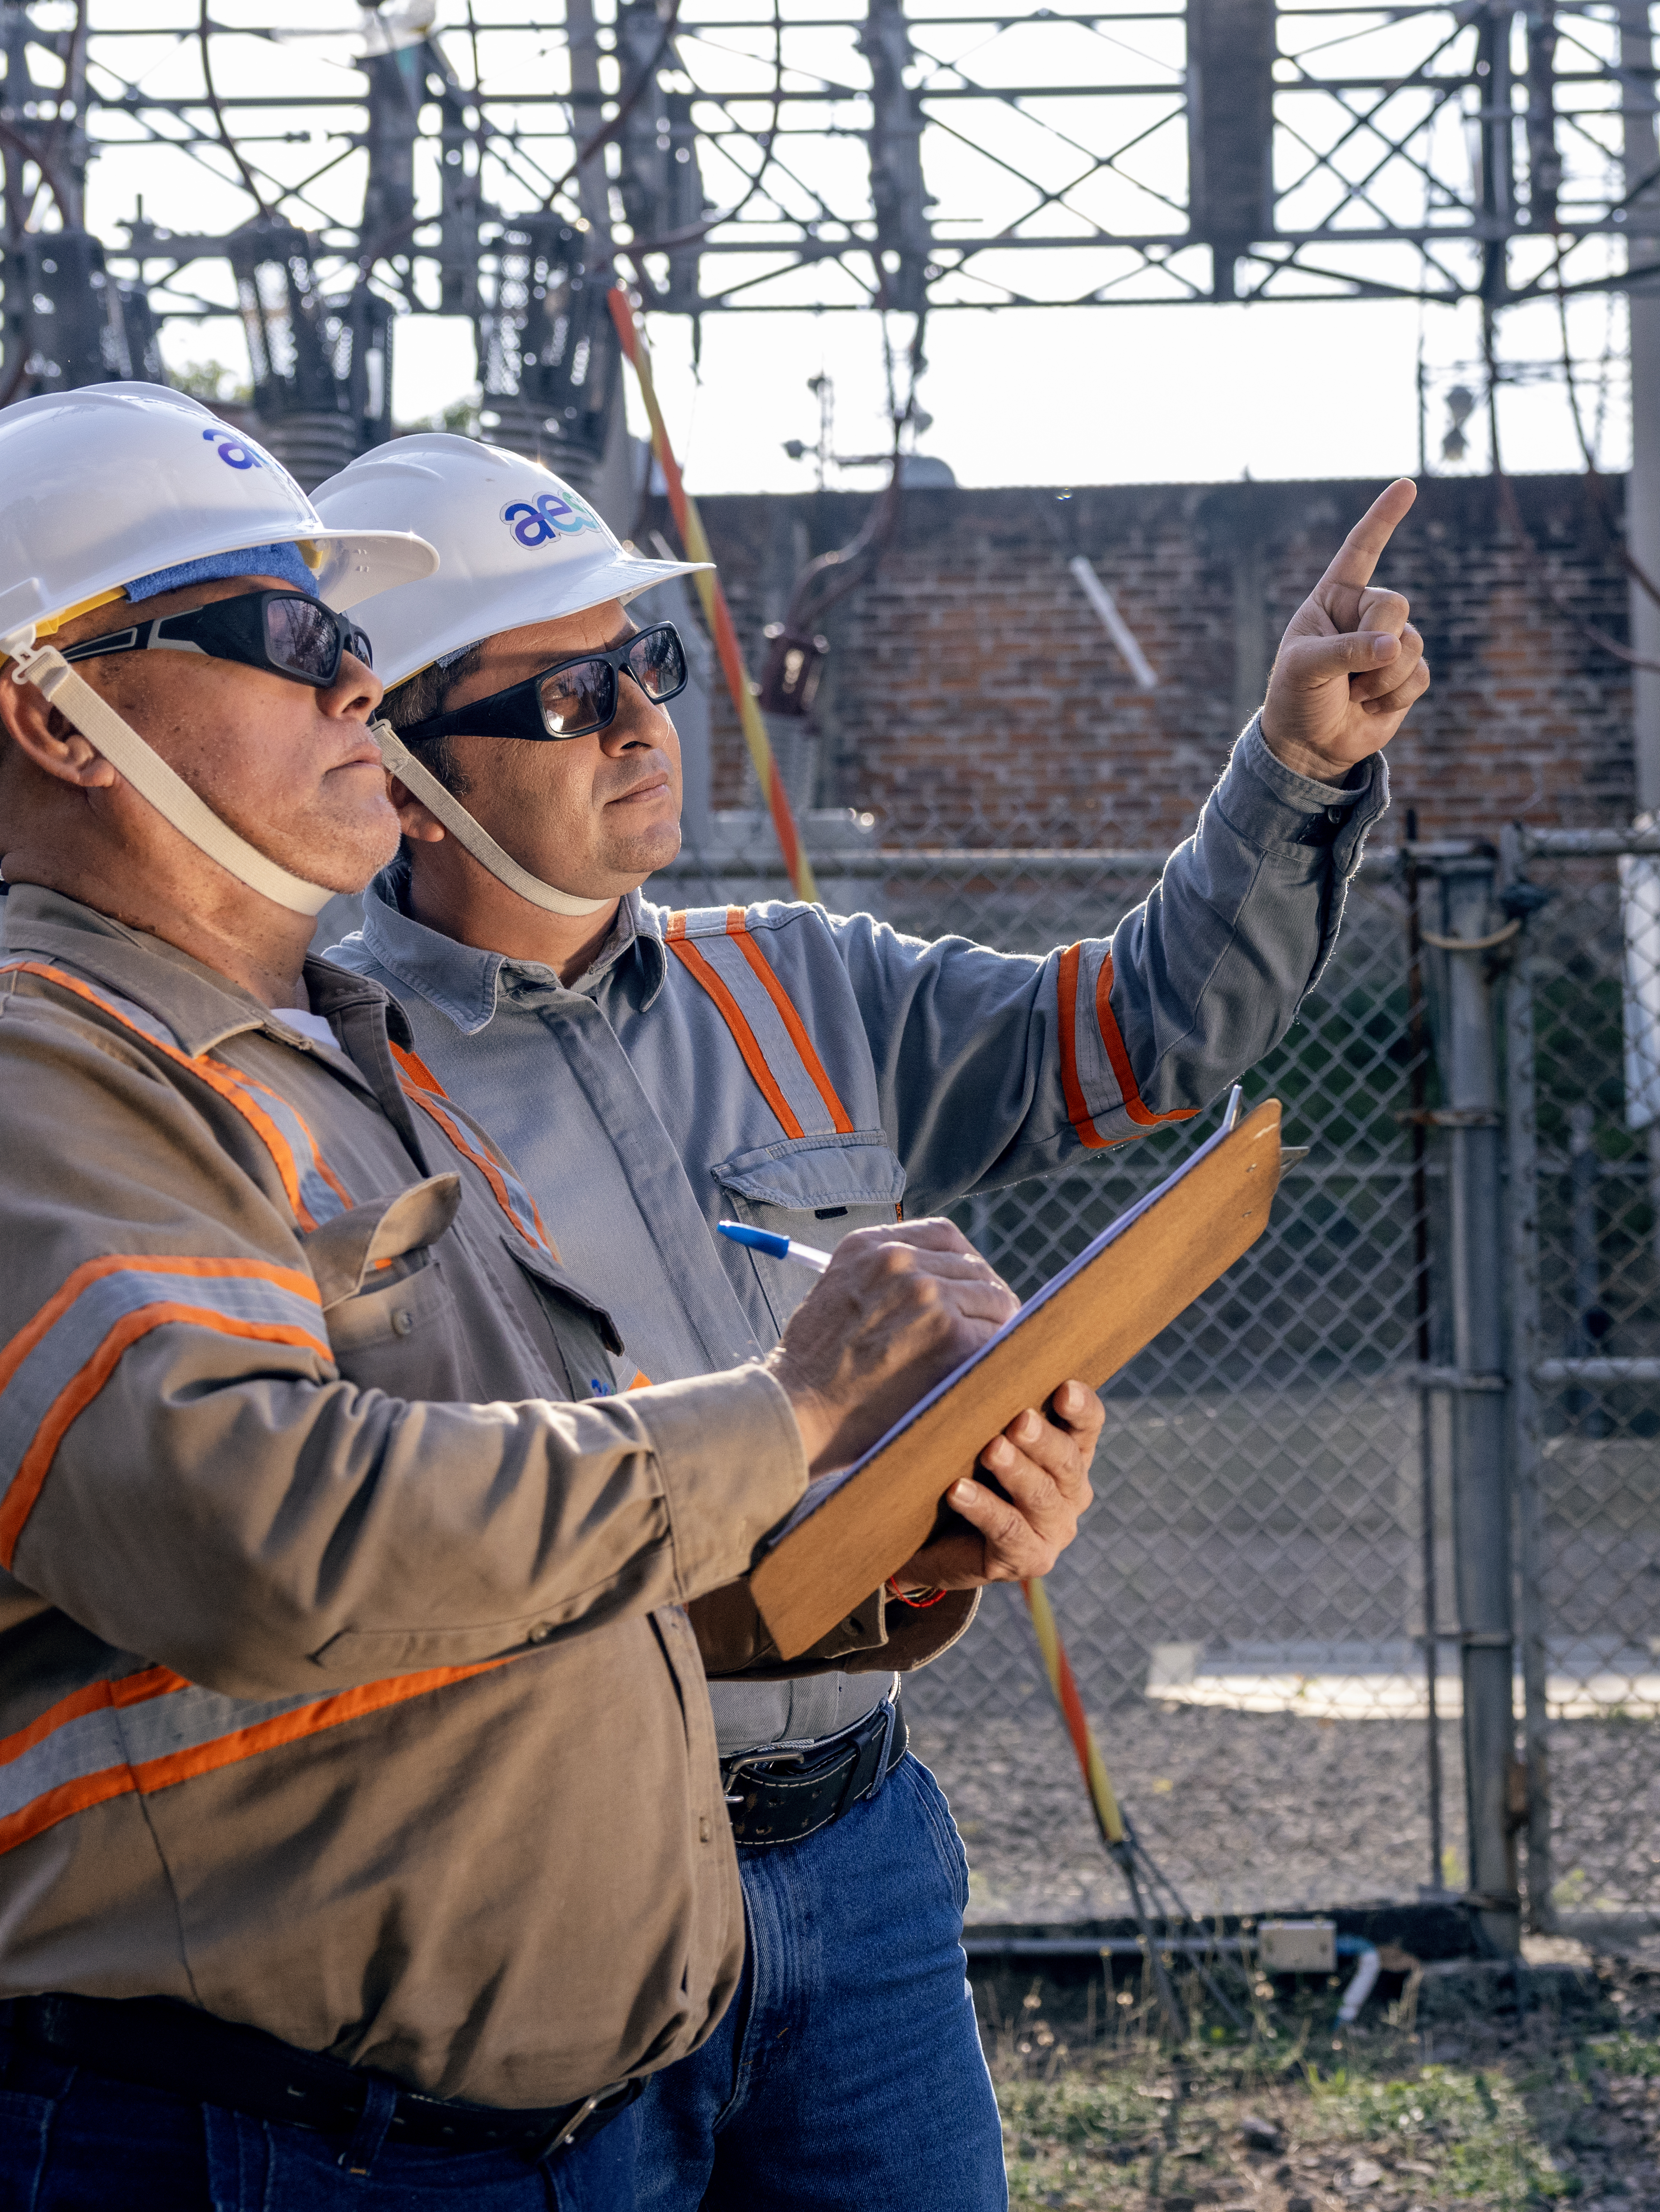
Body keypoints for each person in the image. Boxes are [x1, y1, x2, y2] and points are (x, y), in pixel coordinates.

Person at [0, 382, 1016, 2210]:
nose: (361, 685)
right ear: (53, 712)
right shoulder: (13, 1097)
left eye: (349, 640)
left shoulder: (325, 1074)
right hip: (241, 2137)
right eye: (285, 637)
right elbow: (275, 1542)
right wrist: (789, 1409)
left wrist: (882, 1570)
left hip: (497, 2134)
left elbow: (482, 1614)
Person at [308, 434, 1432, 2212]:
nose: (638, 725)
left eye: (648, 669)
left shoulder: (798, 980)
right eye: (565, 694)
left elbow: (1137, 1027)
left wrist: (1296, 766)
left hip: (861, 1861)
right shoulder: (315, 1085)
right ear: (391, 751)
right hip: (542, 1895)